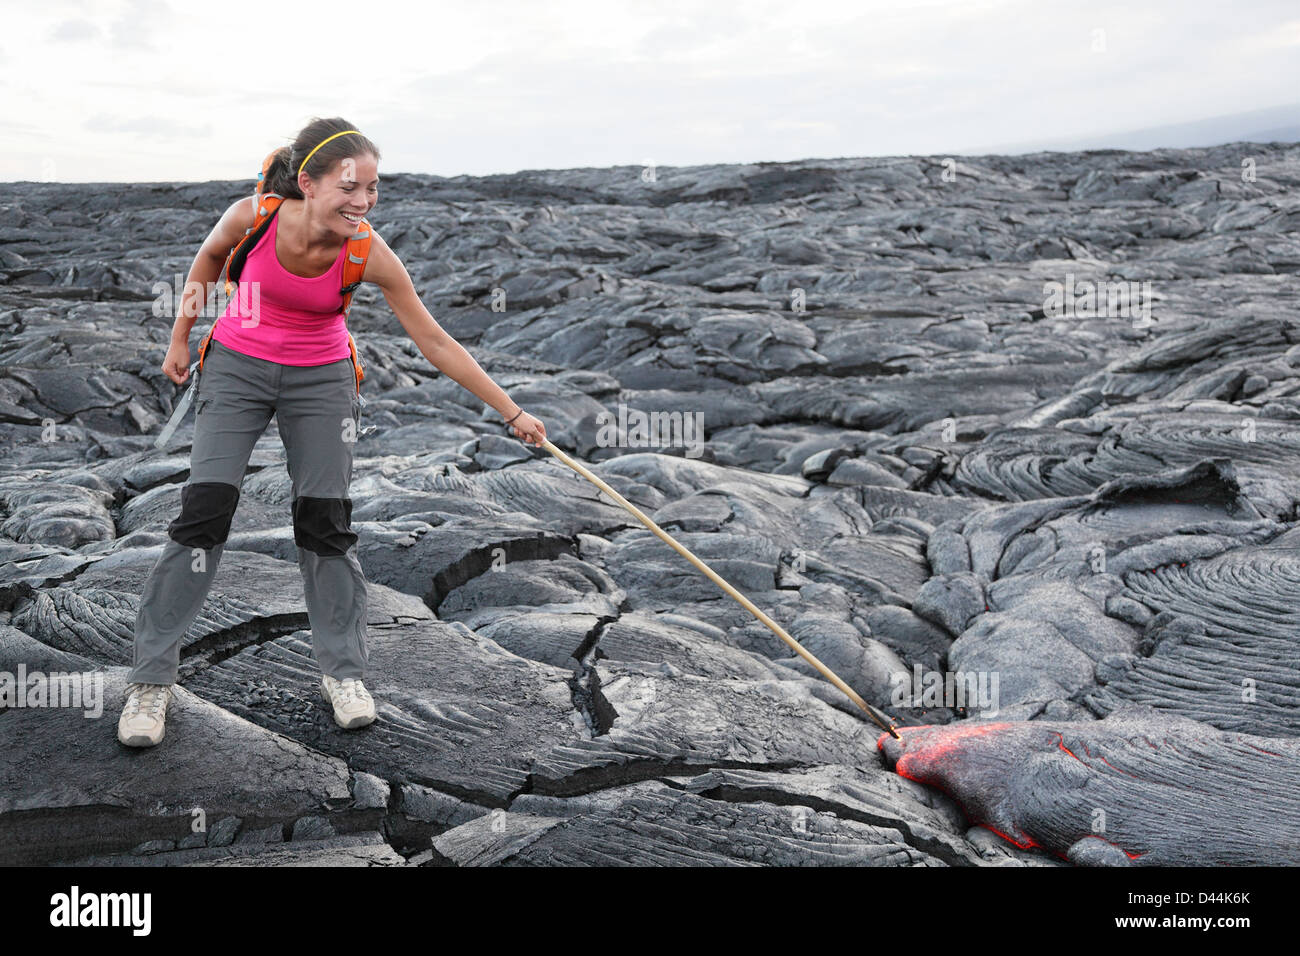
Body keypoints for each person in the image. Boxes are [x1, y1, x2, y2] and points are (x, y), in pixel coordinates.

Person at [118, 117, 547, 747]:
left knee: (325, 523)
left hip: (321, 380)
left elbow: (433, 339)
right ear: (309, 183)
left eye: (373, 189)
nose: (364, 201)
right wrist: (181, 336)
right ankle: (150, 682)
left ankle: (342, 675)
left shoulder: (367, 252)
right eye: (351, 186)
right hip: (236, 369)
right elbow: (210, 259)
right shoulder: (253, 216)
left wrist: (512, 411)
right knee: (203, 514)